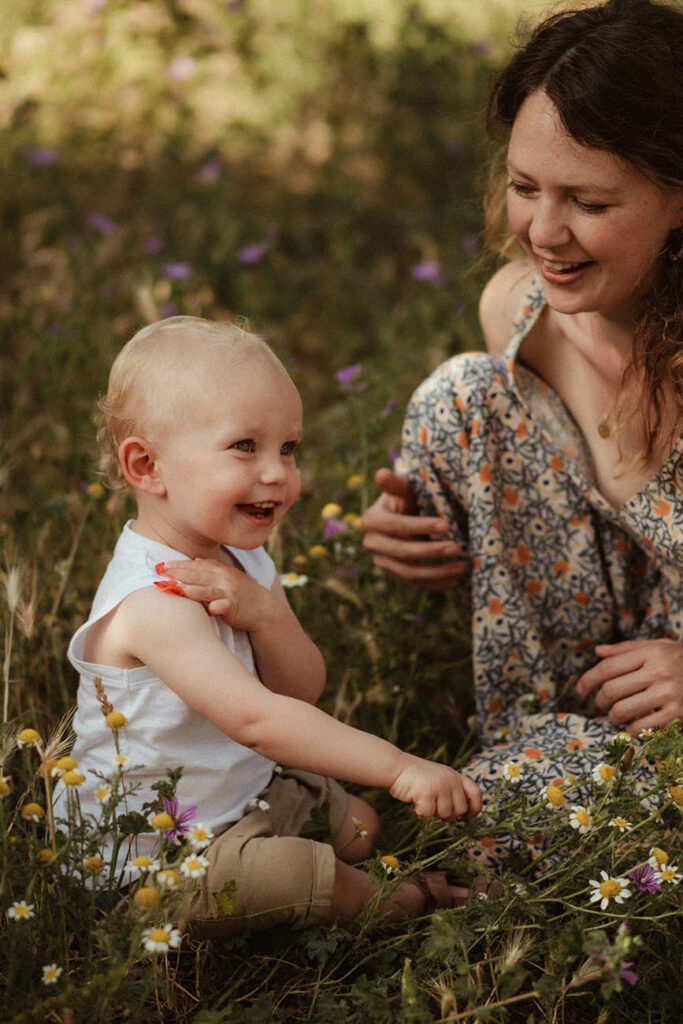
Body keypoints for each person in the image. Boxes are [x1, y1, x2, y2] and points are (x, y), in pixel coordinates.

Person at [361, 0, 683, 865]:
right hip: (582, 695)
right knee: (462, 395)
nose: (543, 232)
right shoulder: (521, 311)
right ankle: (531, 761)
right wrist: (421, 538)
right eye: (525, 187)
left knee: (492, 839)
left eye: (587, 200)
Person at [67, 315, 482, 936]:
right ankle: (408, 904)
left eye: (287, 448)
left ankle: (356, 858)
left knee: (361, 824)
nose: (278, 475)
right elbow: (258, 720)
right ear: (147, 466)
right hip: (160, 862)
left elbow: (297, 691)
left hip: (245, 793)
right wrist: (400, 766)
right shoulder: (152, 603)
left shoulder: (240, 555)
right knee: (307, 876)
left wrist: (265, 612)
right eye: (245, 447)